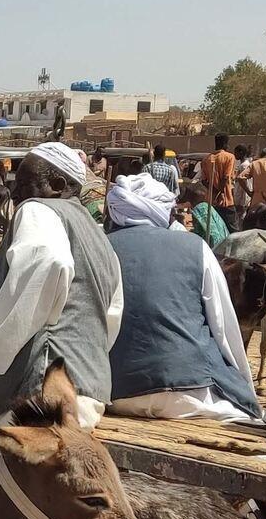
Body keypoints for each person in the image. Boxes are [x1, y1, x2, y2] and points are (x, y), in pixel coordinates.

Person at [0, 141, 122, 472]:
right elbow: (110, 319)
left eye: (23, 186)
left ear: (59, 186)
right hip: (86, 392)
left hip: (35, 393)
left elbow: (46, 262)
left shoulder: (40, 210)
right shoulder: (99, 237)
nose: (16, 195)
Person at [104, 171, 258, 421]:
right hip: (191, 393)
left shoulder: (100, 246)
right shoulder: (195, 246)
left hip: (117, 394)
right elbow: (224, 328)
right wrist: (244, 389)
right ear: (163, 210)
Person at [204, 133, 238, 229]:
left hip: (210, 201)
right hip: (225, 200)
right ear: (224, 144)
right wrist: (220, 193)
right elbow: (226, 177)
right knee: (232, 229)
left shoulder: (206, 159)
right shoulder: (229, 157)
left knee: (214, 229)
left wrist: (214, 191)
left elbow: (204, 181)